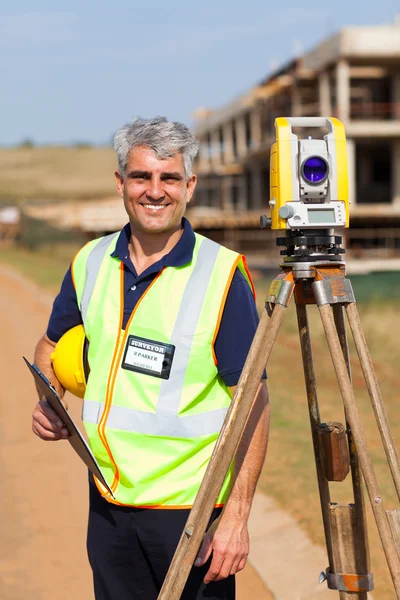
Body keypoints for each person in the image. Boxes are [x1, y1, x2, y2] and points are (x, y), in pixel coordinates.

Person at [31, 116, 270, 600]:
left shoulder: (222, 275)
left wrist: (236, 519)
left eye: (169, 178)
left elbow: (253, 402)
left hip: (192, 515)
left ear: (189, 186)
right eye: (142, 176)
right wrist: (50, 395)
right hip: (109, 504)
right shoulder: (90, 261)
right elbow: (52, 345)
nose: (155, 191)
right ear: (121, 182)